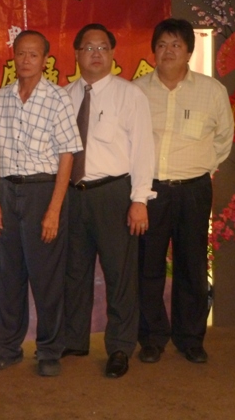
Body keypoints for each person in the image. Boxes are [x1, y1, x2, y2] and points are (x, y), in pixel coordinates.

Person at [0, 30, 82, 377]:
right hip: (8, 192)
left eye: (33, 55)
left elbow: (67, 155)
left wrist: (54, 209)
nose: (26, 60)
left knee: (46, 276)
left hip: (43, 192)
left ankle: (50, 349)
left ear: (45, 60)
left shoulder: (57, 98)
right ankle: (8, 348)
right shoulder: (3, 97)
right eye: (21, 53)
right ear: (14, 56)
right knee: (9, 275)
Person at [134, 18, 234, 364]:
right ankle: (151, 337)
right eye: (162, 44)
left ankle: (190, 338)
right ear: (153, 51)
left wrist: (199, 167)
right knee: (147, 267)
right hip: (150, 191)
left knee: (192, 264)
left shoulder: (212, 91)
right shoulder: (137, 91)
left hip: (194, 190)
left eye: (176, 44)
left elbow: (224, 139)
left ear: (189, 51)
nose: (168, 51)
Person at [62, 24, 155, 378]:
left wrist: (139, 200)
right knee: (74, 271)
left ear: (113, 53)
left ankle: (119, 347)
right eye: (89, 47)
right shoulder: (64, 96)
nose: (96, 54)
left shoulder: (130, 95)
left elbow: (143, 149)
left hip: (114, 194)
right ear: (77, 54)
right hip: (73, 195)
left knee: (120, 274)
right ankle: (74, 339)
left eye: (103, 47)